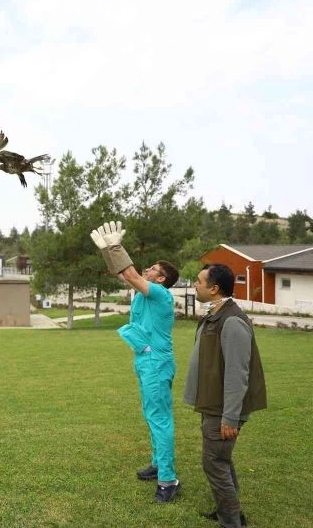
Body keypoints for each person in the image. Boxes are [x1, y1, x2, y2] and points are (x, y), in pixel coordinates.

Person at [90, 221, 181, 503]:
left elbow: (129, 272)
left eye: (154, 268)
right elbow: (125, 275)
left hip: (156, 362)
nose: (148, 269)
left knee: (160, 419)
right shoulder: (144, 291)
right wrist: (108, 250)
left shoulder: (161, 294)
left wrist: (117, 246)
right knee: (151, 415)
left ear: (162, 279)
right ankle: (157, 464)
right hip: (145, 360)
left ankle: (168, 479)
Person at [184, 264, 267, 527]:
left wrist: (230, 417)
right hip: (213, 403)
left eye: (199, 281)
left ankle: (231, 521)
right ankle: (228, 511)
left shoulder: (231, 320)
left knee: (214, 462)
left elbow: (237, 372)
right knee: (221, 459)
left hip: (224, 408)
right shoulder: (215, 315)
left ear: (214, 288)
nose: (195, 285)